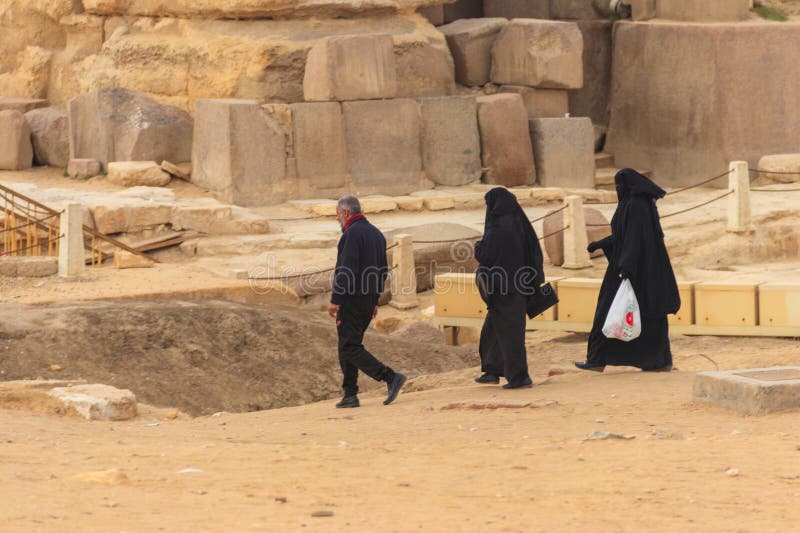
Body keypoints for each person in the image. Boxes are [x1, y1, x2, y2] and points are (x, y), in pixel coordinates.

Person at [575, 168, 680, 373]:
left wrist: (626, 267)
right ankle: (658, 361)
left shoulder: (636, 205)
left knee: (608, 312)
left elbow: (635, 239)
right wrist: (601, 243)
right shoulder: (636, 204)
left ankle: (599, 359)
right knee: (647, 317)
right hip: (641, 270)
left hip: (631, 270)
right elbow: (625, 235)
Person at [328, 195, 406, 408]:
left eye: (337, 215)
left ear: (345, 213)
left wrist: (336, 299)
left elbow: (347, 270)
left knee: (350, 347)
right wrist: (375, 300)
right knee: (348, 345)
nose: (337, 220)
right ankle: (350, 394)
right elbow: (382, 271)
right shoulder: (376, 234)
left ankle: (390, 377)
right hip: (368, 299)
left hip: (352, 300)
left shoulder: (352, 234)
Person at [474, 188, 545, 389]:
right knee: (493, 331)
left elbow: (486, 255)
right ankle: (492, 370)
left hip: (506, 291)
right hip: (518, 286)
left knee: (511, 335)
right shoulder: (519, 224)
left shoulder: (498, 229)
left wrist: (478, 247)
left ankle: (519, 377)